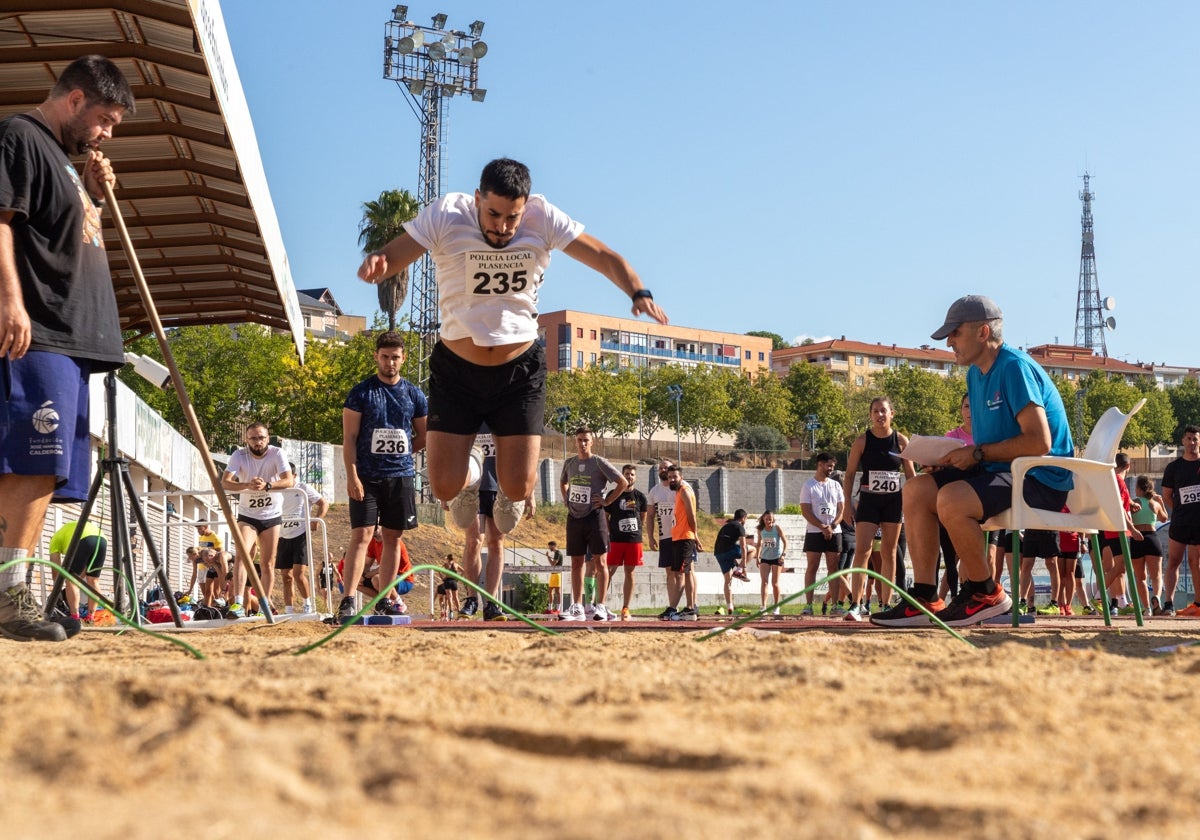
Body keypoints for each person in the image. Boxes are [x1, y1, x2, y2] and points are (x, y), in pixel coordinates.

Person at [356, 158, 668, 536]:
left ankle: (506, 492)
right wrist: (381, 261)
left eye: (512, 218)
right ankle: (473, 476)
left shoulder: (543, 217)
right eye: (494, 215)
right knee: (443, 486)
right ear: (477, 199)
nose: (503, 227)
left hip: (519, 371)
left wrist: (638, 290)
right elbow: (398, 251)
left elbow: (603, 255)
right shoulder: (447, 215)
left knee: (519, 485)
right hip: (457, 370)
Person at [0, 55, 134, 642]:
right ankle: (8, 596)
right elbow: (1, 221)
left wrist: (98, 196)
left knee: (48, 472)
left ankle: (14, 585)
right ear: (75, 99)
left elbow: (70, 236)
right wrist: (10, 301)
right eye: (105, 120)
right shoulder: (21, 136)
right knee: (31, 462)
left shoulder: (69, 163)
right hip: (39, 330)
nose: (105, 134)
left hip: (71, 341)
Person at [874, 295, 1075, 628]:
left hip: (1041, 477)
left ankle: (986, 593)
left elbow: (1039, 443)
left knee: (951, 499)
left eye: (956, 333)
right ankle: (926, 596)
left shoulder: (1014, 367)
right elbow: (985, 445)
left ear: (983, 333)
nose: (950, 342)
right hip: (1002, 471)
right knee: (917, 490)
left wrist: (977, 455)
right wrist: (949, 461)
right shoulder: (975, 375)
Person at [340, 331, 428, 622]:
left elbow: (425, 435)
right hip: (366, 476)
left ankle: (384, 599)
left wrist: (403, 454)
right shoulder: (361, 392)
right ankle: (348, 600)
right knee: (362, 536)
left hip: (400, 476)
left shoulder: (414, 394)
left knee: (393, 538)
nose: (390, 362)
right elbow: (349, 438)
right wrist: (352, 475)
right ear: (377, 356)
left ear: (403, 359)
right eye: (385, 356)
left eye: (396, 357)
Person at [842, 396, 914, 621]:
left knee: (889, 553)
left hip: (893, 502)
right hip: (869, 501)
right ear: (870, 415)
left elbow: (911, 476)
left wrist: (914, 507)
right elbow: (850, 474)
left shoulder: (901, 441)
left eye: (883, 411)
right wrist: (846, 505)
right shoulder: (862, 441)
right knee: (862, 550)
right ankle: (856, 603)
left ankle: (885, 605)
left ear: (892, 413)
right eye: (875, 411)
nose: (880, 415)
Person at [456, 425, 530, 622]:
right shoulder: (470, 415)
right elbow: (455, 451)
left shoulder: (503, 416)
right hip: (473, 487)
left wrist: (528, 492)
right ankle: (471, 599)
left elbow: (524, 455)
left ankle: (491, 602)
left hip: (501, 488)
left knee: (496, 542)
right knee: (473, 541)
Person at [221, 422, 293, 617]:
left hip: (271, 515)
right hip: (248, 515)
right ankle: (237, 602)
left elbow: (289, 480)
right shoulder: (239, 455)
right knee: (243, 555)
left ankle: (263, 605)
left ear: (268, 438)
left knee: (268, 563)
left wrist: (268, 485)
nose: (258, 442)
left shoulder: (277, 453)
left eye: (261, 438)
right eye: (253, 438)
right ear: (247, 440)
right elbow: (225, 482)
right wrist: (247, 485)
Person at [558, 427, 626, 621]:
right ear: (575, 441)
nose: (583, 443)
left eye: (586, 440)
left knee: (600, 561)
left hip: (595, 516)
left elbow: (621, 482)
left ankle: (601, 606)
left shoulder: (598, 462)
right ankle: (577, 605)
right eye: (579, 440)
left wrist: (607, 501)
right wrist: (566, 499)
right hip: (574, 517)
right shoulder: (569, 463)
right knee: (576, 563)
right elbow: (563, 482)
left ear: (592, 442)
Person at [277, 462, 328, 615]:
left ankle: (307, 605)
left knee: (299, 574)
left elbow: (323, 503)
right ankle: (288, 609)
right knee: (286, 576)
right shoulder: (276, 489)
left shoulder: (303, 488)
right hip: (282, 535)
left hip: (300, 534)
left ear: (294, 475)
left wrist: (316, 520)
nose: (283, 479)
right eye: (281, 476)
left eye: (286, 476)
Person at [1161, 425, 1200, 617]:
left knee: (1196, 562)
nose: (1192, 443)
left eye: (1195, 439)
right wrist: (1178, 511)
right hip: (1180, 522)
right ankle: (1168, 603)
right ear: (1183, 441)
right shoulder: (1174, 467)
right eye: (1189, 439)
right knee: (1173, 561)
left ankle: (1198, 605)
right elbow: (1167, 495)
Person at [1098, 453, 1143, 616]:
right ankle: (1099, 596)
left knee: (1121, 567)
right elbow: (1119, 508)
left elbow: (1122, 503)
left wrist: (1131, 503)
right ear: (1129, 466)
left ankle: (1122, 601)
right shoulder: (1117, 481)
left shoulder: (1114, 481)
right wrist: (1133, 528)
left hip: (1115, 528)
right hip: (1118, 528)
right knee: (1120, 566)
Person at [800, 453, 844, 617]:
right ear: (820, 464)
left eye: (833, 466)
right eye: (829, 466)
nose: (831, 469)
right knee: (812, 566)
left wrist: (832, 526)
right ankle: (809, 605)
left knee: (834, 568)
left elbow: (841, 509)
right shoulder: (809, 486)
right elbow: (805, 510)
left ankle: (835, 605)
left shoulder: (836, 485)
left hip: (834, 531)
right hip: (814, 531)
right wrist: (821, 526)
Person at [605, 463, 649, 621]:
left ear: (635, 477)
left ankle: (625, 608)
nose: (629, 476)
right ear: (622, 475)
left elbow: (642, 517)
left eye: (632, 474)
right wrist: (610, 532)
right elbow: (605, 515)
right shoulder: (613, 493)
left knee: (630, 572)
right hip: (615, 540)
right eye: (627, 474)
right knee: (609, 571)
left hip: (633, 541)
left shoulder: (640, 497)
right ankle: (601, 605)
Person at [48, 520, 107, 621]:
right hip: (102, 539)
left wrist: (59, 590)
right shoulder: (66, 532)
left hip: (83, 538)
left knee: (71, 580)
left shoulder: (54, 541)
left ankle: (74, 617)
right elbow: (82, 572)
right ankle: (90, 617)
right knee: (93, 580)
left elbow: (56, 570)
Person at [667, 464, 701, 621]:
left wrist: (695, 536)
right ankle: (688, 608)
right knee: (685, 573)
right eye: (670, 477)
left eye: (675, 477)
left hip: (685, 537)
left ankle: (688, 608)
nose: (672, 479)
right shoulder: (678, 492)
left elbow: (691, 516)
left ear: (681, 477)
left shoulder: (685, 491)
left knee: (684, 573)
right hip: (679, 537)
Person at [647, 459, 680, 620]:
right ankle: (672, 606)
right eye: (660, 468)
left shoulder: (679, 489)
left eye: (666, 467)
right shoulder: (654, 491)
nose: (663, 470)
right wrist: (651, 537)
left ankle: (689, 606)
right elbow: (650, 516)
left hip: (680, 536)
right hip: (664, 537)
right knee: (670, 573)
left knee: (683, 572)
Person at [1131, 475, 1168, 615]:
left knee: (1141, 577)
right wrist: (1161, 502)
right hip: (1152, 538)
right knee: (1157, 575)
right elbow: (1164, 519)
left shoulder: (1134, 502)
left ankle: (1147, 608)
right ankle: (1157, 597)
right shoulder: (1155, 504)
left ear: (1139, 488)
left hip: (1137, 537)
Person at [713, 509, 750, 616]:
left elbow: (722, 543)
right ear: (743, 518)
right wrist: (744, 567)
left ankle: (730, 606)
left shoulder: (726, 526)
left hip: (719, 553)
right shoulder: (740, 527)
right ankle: (739, 570)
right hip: (728, 550)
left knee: (727, 580)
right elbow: (743, 547)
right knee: (753, 550)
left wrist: (735, 562)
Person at [756, 510, 787, 616]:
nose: (768, 521)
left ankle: (776, 606)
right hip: (765, 558)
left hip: (777, 558)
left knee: (775, 583)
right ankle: (763, 606)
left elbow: (785, 542)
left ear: (773, 519)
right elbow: (759, 544)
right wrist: (757, 557)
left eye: (770, 519)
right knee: (764, 582)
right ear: (763, 519)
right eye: (767, 519)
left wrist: (783, 554)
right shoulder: (760, 530)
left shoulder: (776, 528)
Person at [436, 553, 464, 619]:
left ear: (448, 559)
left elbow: (439, 570)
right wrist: (459, 578)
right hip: (454, 581)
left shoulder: (446, 564)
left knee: (449, 597)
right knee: (456, 597)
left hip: (447, 581)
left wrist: (442, 578)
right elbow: (463, 571)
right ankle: (459, 611)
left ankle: (451, 612)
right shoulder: (456, 564)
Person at [545, 540, 564, 616]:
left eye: (550, 546)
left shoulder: (558, 553)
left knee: (557, 591)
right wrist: (548, 557)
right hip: (553, 574)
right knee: (550, 591)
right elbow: (552, 564)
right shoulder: (556, 553)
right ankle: (550, 608)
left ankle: (558, 609)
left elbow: (553, 563)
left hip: (557, 574)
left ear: (553, 546)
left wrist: (548, 557)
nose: (549, 548)